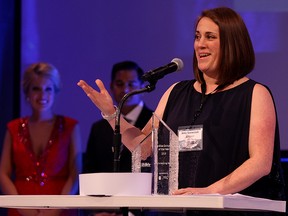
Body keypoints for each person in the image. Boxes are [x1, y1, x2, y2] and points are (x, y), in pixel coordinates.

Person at [78, 7, 286, 216]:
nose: (200, 44)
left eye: (210, 37)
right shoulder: (175, 93)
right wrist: (111, 114)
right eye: (197, 36)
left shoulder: (254, 94)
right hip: (179, 210)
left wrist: (209, 193)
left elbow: (260, 163)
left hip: (232, 211)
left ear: (232, 43)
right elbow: (143, 148)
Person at [0, 62, 82, 216]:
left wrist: (56, 209)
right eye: (36, 88)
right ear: (27, 92)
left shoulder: (71, 126)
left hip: (61, 209)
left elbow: (75, 173)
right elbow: (3, 173)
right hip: (21, 208)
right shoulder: (13, 127)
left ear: (55, 91)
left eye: (48, 89)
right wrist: (21, 207)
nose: (42, 95)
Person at [83, 60, 153, 174]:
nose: (125, 90)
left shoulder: (155, 120)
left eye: (131, 84)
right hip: (105, 190)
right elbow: (90, 169)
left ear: (142, 87)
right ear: (111, 87)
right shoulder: (98, 128)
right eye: (120, 84)